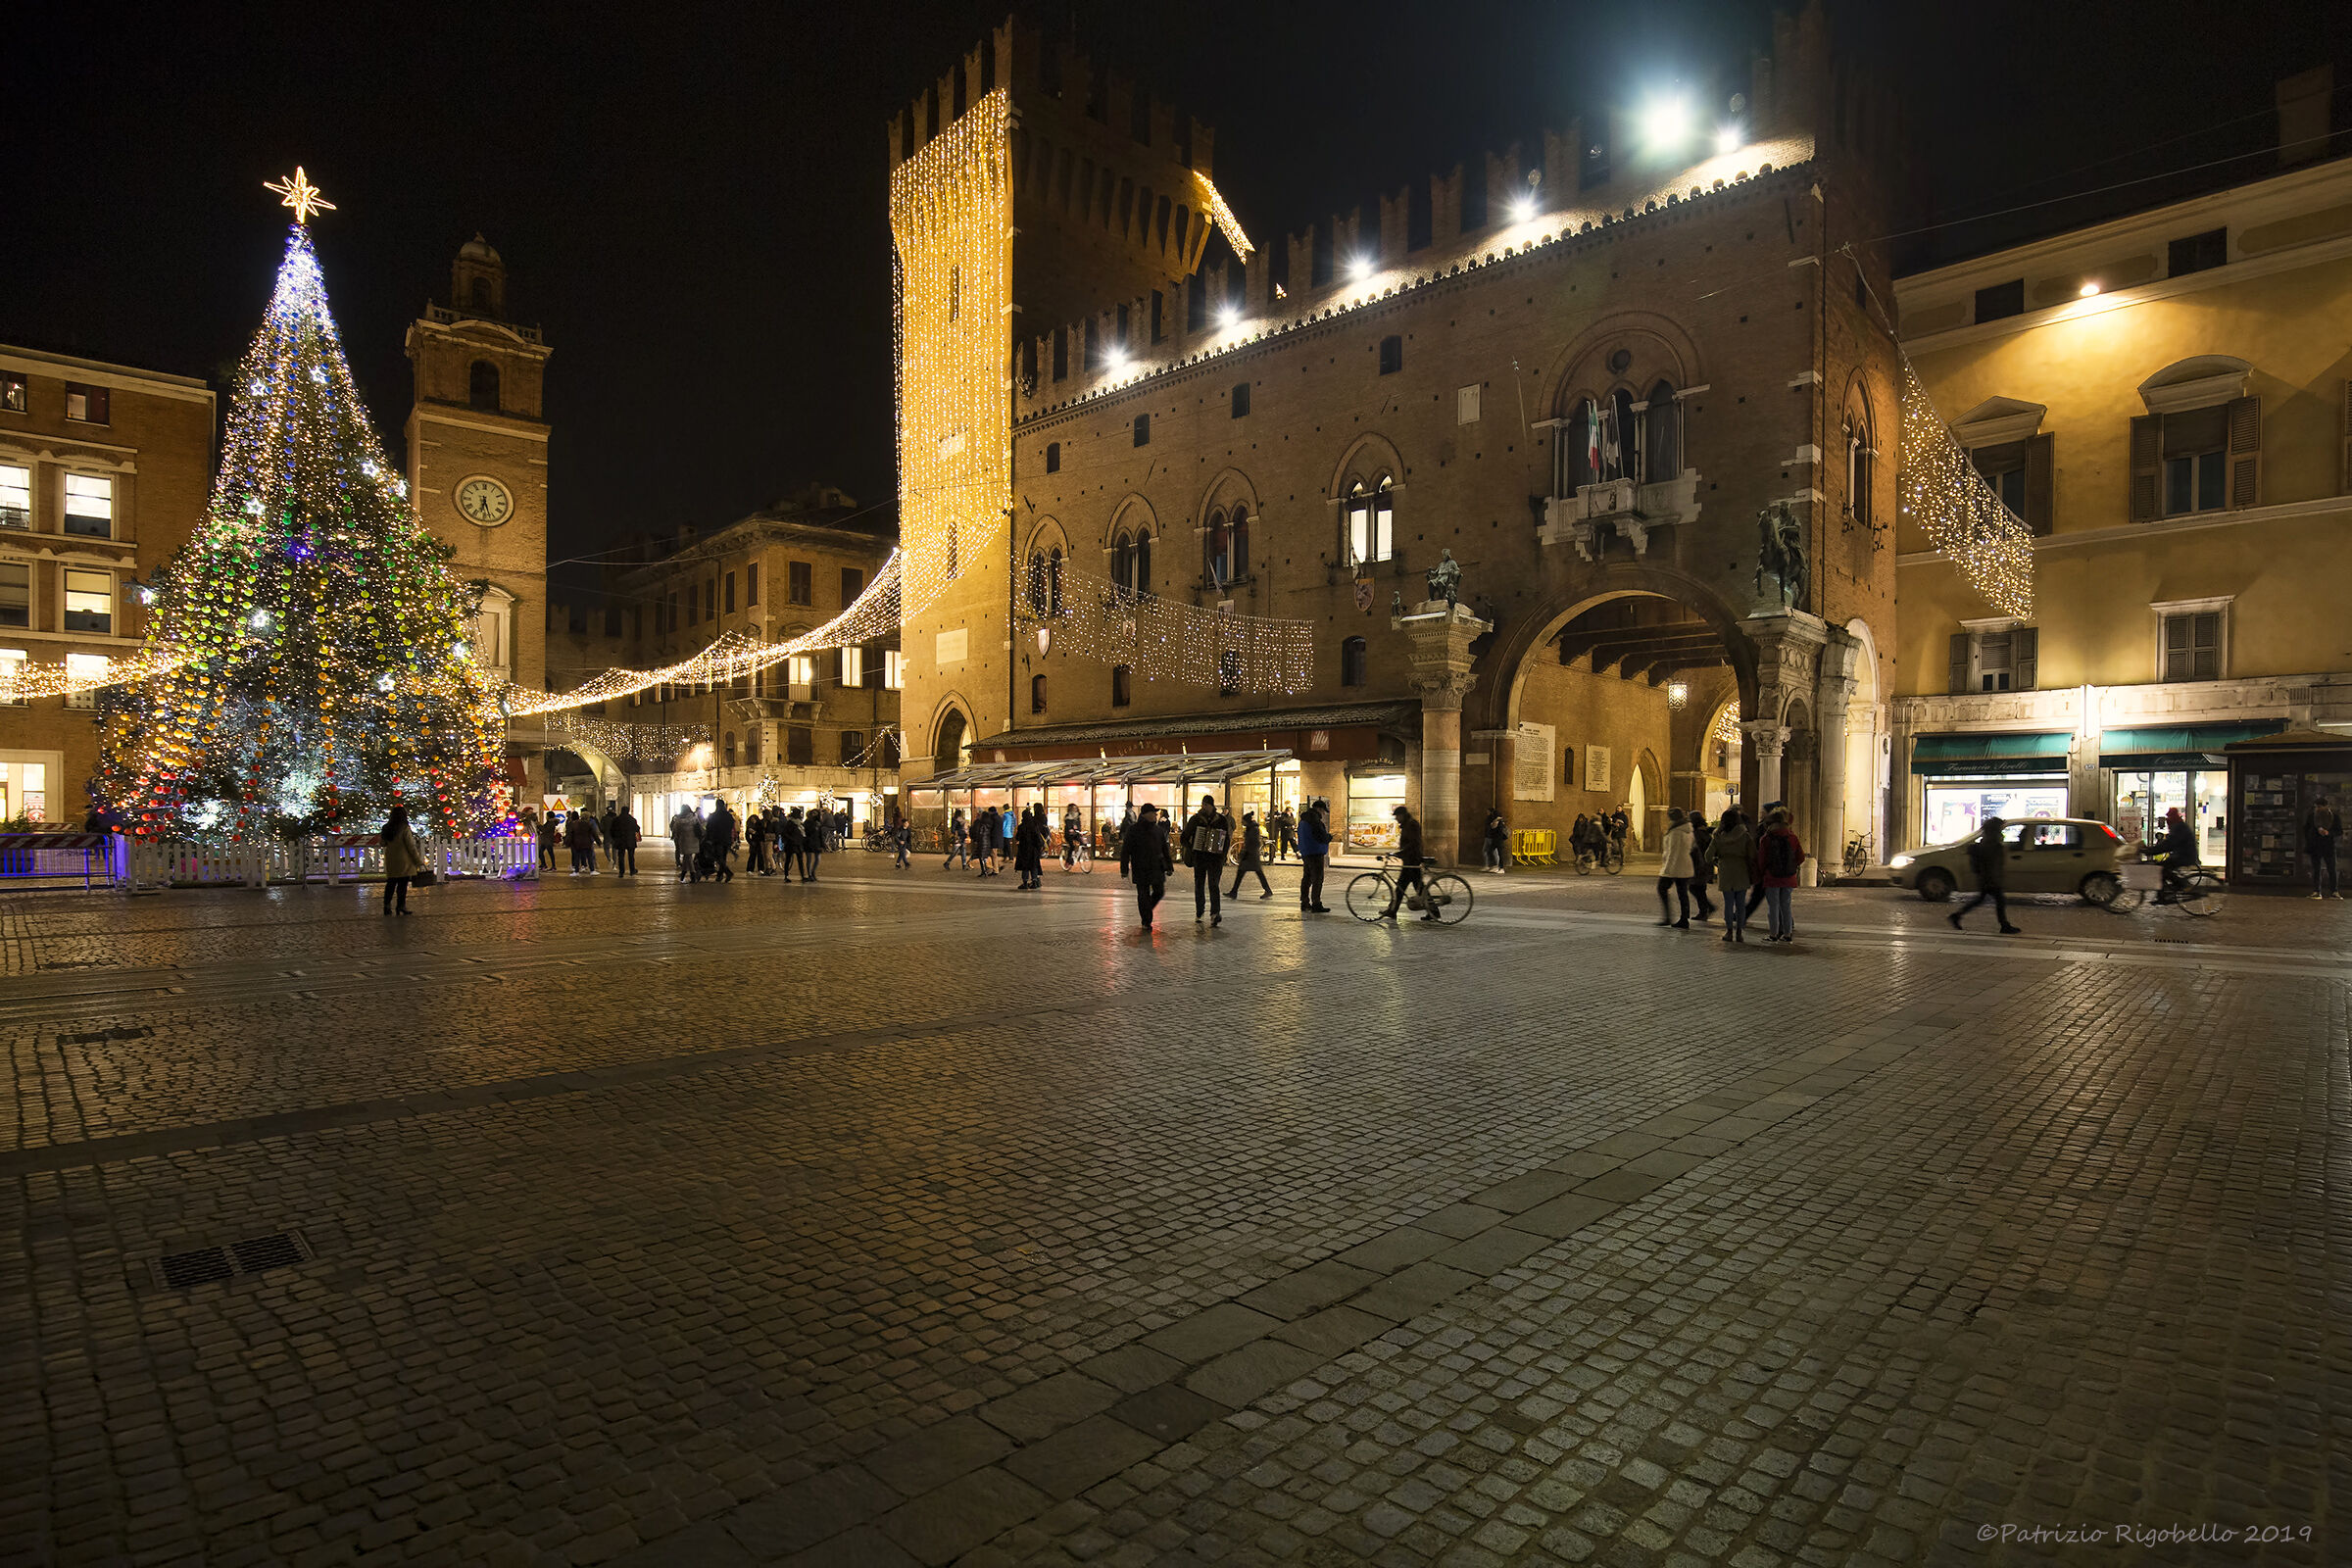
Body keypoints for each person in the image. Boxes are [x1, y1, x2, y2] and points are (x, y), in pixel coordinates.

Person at [1948, 816, 2019, 934]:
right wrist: (1991, 879)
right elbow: (1990, 864)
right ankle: (2004, 925)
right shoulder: (1991, 843)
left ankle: (1956, 915)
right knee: (1999, 901)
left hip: (1987, 878)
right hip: (1989, 879)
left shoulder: (1990, 841)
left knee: (1981, 900)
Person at [1755, 808, 1806, 943]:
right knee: (1786, 906)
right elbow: (1801, 857)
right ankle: (1788, 934)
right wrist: (1792, 865)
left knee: (1773, 907)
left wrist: (1762, 872)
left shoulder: (1766, 838)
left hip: (1772, 877)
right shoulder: (1792, 837)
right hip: (1788, 877)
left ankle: (1773, 934)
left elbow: (1762, 859)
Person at [1379, 805, 1436, 921]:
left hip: (1412, 860)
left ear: (1403, 815)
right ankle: (1433, 911)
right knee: (1407, 888)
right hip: (1409, 860)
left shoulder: (1412, 825)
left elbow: (1414, 843)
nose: (1396, 819)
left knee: (1406, 888)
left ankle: (1393, 911)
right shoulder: (1407, 825)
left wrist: (1399, 853)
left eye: (1398, 816)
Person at [1183, 793, 1230, 925]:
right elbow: (1184, 837)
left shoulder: (1221, 820)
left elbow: (1226, 839)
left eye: (1206, 805)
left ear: (1211, 805)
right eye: (1203, 805)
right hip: (1200, 858)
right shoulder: (1196, 819)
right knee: (1199, 885)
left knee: (1214, 885)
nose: (1204, 807)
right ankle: (1199, 911)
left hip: (1215, 859)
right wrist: (1193, 847)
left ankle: (1215, 913)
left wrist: (1223, 854)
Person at [1709, 809, 1754, 944]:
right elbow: (1753, 855)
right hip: (1741, 871)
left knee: (1728, 904)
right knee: (1740, 905)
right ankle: (1739, 933)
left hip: (1726, 872)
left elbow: (1707, 856)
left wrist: (1717, 861)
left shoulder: (1717, 836)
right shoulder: (1745, 835)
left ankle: (1729, 932)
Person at [380, 806, 425, 916]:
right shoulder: (404, 828)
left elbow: (382, 843)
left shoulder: (386, 828)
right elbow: (411, 846)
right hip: (404, 860)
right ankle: (401, 906)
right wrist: (418, 861)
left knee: (390, 883)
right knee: (402, 885)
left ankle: (387, 905)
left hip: (391, 859)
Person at [2149, 807, 2200, 903]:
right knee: (2163, 867)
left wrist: (2152, 850)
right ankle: (2164, 893)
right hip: (2183, 854)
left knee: (2162, 868)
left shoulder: (2178, 827)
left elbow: (2170, 844)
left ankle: (2183, 885)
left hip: (2184, 855)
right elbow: (2170, 843)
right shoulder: (2178, 826)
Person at [1655, 806, 1694, 928]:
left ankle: (1668, 917)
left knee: (1662, 888)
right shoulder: (1688, 829)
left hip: (1675, 867)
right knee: (1682, 892)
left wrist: (1667, 870)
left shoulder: (1676, 831)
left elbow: (1673, 852)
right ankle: (1684, 918)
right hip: (1685, 865)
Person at [1297, 798, 1333, 912]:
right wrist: (1329, 837)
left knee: (1307, 878)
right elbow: (1320, 836)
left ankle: (1305, 902)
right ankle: (1316, 903)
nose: (1323, 813)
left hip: (1307, 852)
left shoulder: (1304, 819)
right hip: (1316, 852)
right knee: (1317, 878)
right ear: (1318, 809)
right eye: (1323, 811)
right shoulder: (1314, 820)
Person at [1228, 809, 1272, 900]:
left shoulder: (1253, 829)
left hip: (1251, 855)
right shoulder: (1251, 828)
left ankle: (1234, 892)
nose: (1241, 822)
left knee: (1249, 873)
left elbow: (1253, 842)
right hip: (1251, 855)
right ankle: (1234, 891)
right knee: (1246, 873)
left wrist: (1246, 851)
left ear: (1246, 821)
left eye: (1243, 821)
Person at [2306, 795, 2340, 900]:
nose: (2318, 809)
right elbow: (2307, 829)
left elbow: (2339, 831)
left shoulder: (2334, 816)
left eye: (2319, 806)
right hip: (2316, 845)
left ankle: (2334, 891)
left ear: (2326, 806)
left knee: (2332, 869)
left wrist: (2328, 833)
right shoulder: (2311, 816)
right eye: (2316, 807)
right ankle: (2317, 891)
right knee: (2316, 869)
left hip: (2328, 845)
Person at [1688, 810, 1716, 920]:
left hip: (1699, 865)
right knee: (1699, 888)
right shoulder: (1704, 832)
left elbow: (1695, 850)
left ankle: (1706, 909)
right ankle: (1705, 910)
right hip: (1705, 864)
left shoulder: (1697, 834)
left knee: (1695, 888)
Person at [670, 805, 701, 880]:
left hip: (683, 840)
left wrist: (675, 836)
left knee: (687, 856)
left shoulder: (678, 820)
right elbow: (699, 827)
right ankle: (684, 874)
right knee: (687, 857)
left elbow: (675, 830)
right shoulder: (694, 817)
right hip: (694, 839)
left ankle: (692, 874)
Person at [611, 805, 640, 876]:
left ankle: (621, 872)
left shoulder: (616, 819)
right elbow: (637, 829)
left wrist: (614, 838)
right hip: (630, 840)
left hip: (620, 840)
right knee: (631, 856)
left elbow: (612, 830)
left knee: (621, 856)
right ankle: (632, 870)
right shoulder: (632, 819)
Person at [801, 805, 827, 882]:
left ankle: (813, 872)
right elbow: (806, 832)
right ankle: (809, 874)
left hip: (816, 843)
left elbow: (820, 834)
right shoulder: (807, 822)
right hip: (808, 843)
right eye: (813, 814)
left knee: (817, 859)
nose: (814, 815)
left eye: (815, 814)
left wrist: (823, 844)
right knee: (809, 859)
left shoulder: (818, 823)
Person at [1483, 808, 1509, 874]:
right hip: (1496, 840)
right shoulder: (1497, 821)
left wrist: (1494, 823)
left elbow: (1494, 829)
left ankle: (1501, 868)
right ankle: (1496, 866)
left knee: (1499, 853)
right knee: (1490, 851)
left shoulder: (1499, 822)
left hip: (1498, 840)